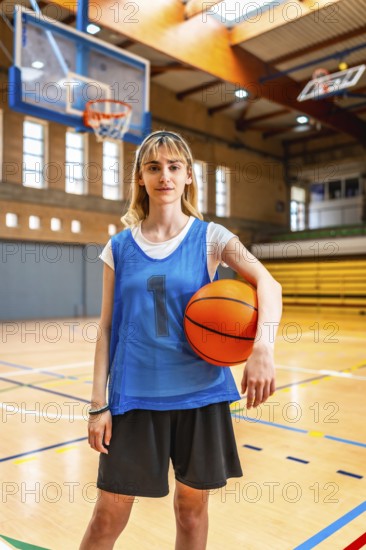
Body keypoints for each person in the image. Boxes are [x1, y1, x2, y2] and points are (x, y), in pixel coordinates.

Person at [79, 130, 282, 550]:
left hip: (201, 397)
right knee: (107, 517)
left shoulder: (210, 237)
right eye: (153, 167)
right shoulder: (118, 246)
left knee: (191, 514)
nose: (164, 176)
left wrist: (263, 347)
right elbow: (106, 329)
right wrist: (98, 403)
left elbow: (268, 283)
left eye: (174, 167)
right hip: (134, 400)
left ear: (189, 176)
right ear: (140, 178)